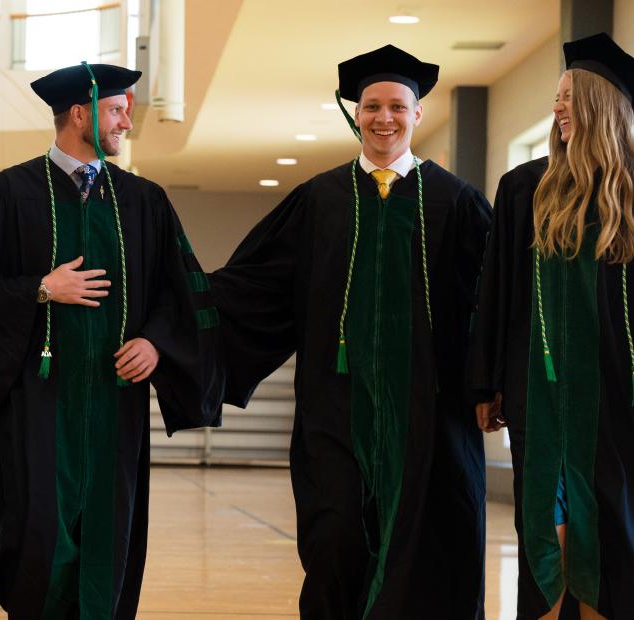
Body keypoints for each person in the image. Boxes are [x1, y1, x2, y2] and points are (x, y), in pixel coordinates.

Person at [208, 45, 491, 618]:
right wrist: (173, 299)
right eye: (371, 106)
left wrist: (491, 384)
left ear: (417, 115)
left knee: (433, 538)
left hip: (431, 413)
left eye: (397, 106)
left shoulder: (454, 201)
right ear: (353, 113)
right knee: (335, 535)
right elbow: (252, 284)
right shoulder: (319, 200)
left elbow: (494, 299)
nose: (383, 117)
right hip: (335, 408)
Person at [0, 62, 222, 617]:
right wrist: (39, 289)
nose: (126, 122)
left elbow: (184, 290)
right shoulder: (5, 194)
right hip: (33, 402)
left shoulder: (144, 201)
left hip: (113, 401)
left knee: (108, 529)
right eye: (118, 110)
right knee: (36, 529)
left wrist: (156, 342)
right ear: (80, 113)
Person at [467, 33, 634, 620]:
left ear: (601, 105)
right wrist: (489, 384)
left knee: (617, 546)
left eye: (568, 96)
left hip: (625, 411)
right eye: (556, 98)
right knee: (546, 541)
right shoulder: (522, 190)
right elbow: (498, 291)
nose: (556, 108)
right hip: (543, 402)